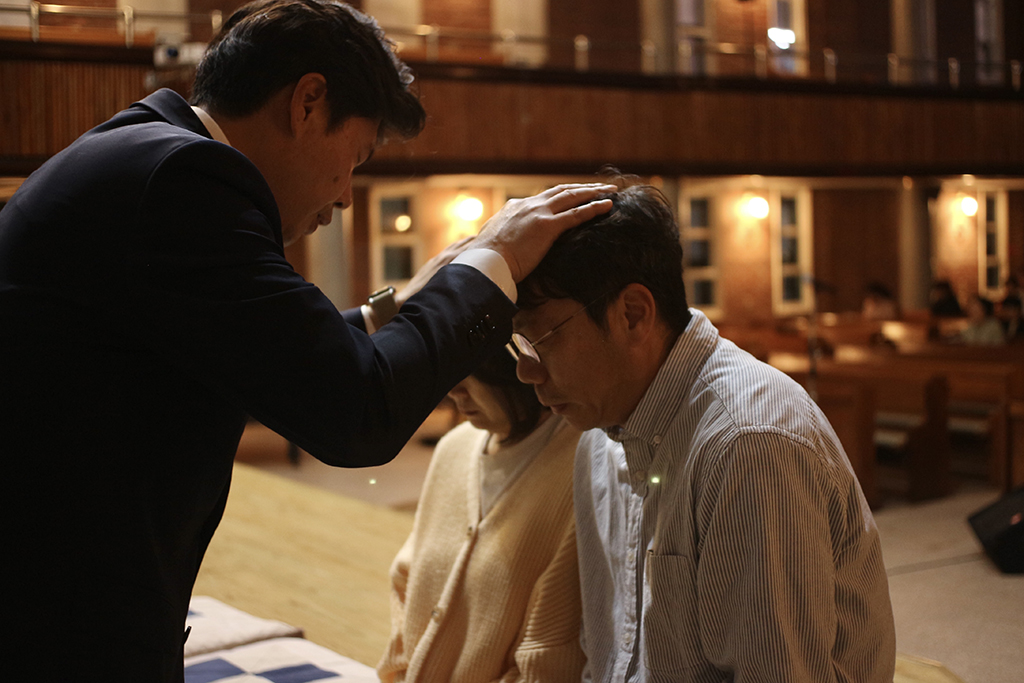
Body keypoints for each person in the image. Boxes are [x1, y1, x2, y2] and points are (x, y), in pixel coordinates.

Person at [0, 1, 613, 679]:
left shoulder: (146, 152)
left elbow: (277, 354)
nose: (347, 195)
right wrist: (493, 259)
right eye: (355, 156)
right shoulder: (186, 182)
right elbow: (356, 411)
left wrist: (396, 308)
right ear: (308, 103)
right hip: (55, 623)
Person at [510, 181, 896, 682]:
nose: (526, 372)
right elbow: (609, 656)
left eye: (540, 339)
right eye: (518, 345)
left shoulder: (749, 444)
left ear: (632, 314)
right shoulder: (597, 437)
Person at [378, 348, 585, 683]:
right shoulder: (454, 446)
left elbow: (550, 659)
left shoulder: (581, 469)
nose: (454, 391)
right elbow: (407, 578)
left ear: (519, 367)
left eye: (471, 372)